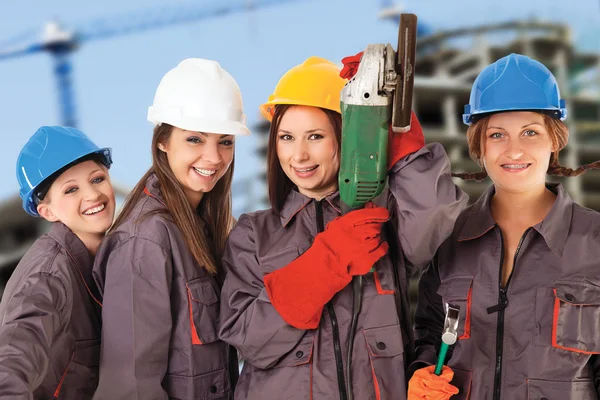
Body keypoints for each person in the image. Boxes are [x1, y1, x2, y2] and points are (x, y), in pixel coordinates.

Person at [218, 55, 468, 399]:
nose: (299, 155)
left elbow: (435, 222)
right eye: (287, 138)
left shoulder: (382, 217)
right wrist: (327, 262)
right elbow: (248, 341)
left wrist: (399, 139)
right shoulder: (253, 234)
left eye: (315, 136)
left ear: (346, 136)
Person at [408, 53, 600, 400]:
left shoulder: (595, 241)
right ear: (478, 144)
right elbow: (430, 334)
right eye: (498, 134)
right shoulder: (449, 237)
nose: (514, 150)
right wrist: (420, 373)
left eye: (530, 132)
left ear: (555, 140)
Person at [92, 58, 248, 400]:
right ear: (162, 140)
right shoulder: (145, 241)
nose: (213, 157)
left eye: (225, 141)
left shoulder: (204, 223)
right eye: (195, 139)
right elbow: (130, 388)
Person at [0, 126, 114, 399]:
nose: (92, 195)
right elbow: (14, 357)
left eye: (97, 179)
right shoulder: (48, 276)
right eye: (71, 189)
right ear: (47, 211)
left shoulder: (108, 259)